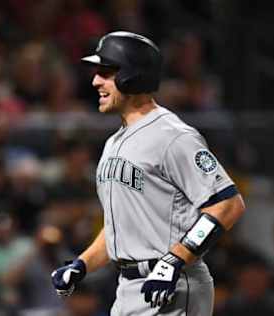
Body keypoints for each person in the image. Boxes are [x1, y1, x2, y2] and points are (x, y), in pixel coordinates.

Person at [51, 31, 246, 316]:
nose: (95, 81)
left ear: (131, 74)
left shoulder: (173, 136)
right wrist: (82, 264)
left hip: (172, 285)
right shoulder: (113, 143)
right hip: (128, 288)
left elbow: (227, 205)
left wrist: (175, 259)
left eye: (105, 71)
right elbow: (122, 227)